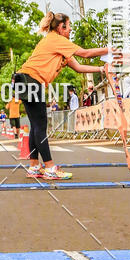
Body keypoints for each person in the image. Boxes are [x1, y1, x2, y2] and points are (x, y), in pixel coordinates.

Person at [12, 11, 108, 180]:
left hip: (23, 79)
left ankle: (34, 166)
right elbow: (85, 53)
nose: (70, 30)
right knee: (40, 126)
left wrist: (101, 69)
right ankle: (49, 167)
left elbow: (78, 67)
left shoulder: (57, 44)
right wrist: (109, 49)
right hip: (32, 80)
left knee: (35, 126)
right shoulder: (57, 39)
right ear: (61, 27)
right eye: (69, 26)